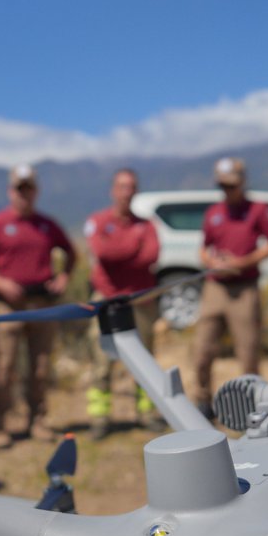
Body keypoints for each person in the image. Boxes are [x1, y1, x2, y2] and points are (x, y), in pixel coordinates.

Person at [0, 164, 76, 448]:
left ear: (36, 191)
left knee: (40, 367)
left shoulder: (47, 225)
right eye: (19, 188)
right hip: (9, 305)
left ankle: (37, 420)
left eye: (29, 188)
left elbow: (70, 252)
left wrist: (64, 276)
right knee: (4, 367)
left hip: (42, 302)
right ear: (10, 191)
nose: (24, 194)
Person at [192, 157, 268, 416]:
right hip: (215, 288)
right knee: (202, 349)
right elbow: (203, 249)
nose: (227, 191)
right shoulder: (213, 213)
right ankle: (203, 402)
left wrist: (242, 262)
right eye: (223, 186)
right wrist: (212, 262)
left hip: (245, 288)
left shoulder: (258, 210)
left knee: (248, 351)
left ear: (242, 182)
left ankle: (252, 406)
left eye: (232, 185)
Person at [83, 168, 163, 439]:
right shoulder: (98, 221)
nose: (126, 192)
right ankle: (100, 417)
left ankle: (146, 412)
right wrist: (133, 245)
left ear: (136, 191)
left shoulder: (148, 225)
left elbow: (150, 256)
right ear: (112, 190)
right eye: (121, 186)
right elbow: (102, 253)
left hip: (141, 300)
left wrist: (122, 251)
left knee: (145, 360)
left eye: (131, 187)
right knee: (101, 359)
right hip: (106, 299)